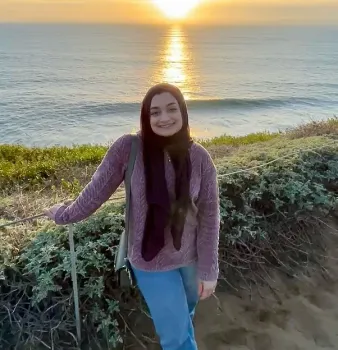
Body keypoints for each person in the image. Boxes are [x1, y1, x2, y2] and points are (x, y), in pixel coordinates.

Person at [44, 83, 220, 350]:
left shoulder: (200, 158)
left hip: (192, 259)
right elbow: (95, 192)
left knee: (184, 319)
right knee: (178, 339)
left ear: (183, 112)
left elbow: (209, 216)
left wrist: (209, 269)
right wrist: (63, 214)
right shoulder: (129, 148)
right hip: (150, 262)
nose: (164, 118)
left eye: (172, 109)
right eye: (155, 112)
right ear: (145, 117)